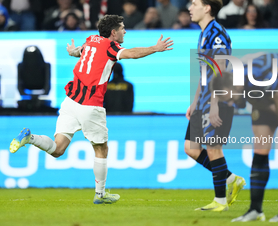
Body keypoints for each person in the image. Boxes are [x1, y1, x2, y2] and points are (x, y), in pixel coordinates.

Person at [9, 14, 173, 204]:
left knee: (58, 148)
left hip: (70, 101)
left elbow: (82, 51)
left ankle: (30, 137)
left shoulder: (91, 41)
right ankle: (100, 194)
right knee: (101, 149)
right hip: (90, 104)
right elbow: (132, 54)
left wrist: (73, 52)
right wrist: (155, 48)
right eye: (122, 28)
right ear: (113, 32)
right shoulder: (111, 47)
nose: (125, 31)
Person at [212, 52, 278, 222]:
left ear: (234, 88)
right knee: (260, 146)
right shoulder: (234, 82)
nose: (231, 104)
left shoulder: (256, 78)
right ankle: (255, 210)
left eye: (230, 99)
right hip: (269, 90)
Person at [185, 0, 246, 212]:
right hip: (204, 101)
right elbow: (204, 73)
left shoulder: (217, 34)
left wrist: (215, 104)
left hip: (217, 100)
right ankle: (231, 179)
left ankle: (220, 202)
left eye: (194, 3)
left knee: (213, 147)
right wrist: (195, 101)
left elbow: (221, 71)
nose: (190, 8)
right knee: (191, 148)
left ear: (207, 7)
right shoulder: (203, 33)